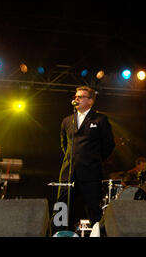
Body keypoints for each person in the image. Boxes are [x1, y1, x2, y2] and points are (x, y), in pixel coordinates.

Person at [55, 86, 115, 232]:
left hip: (90, 172)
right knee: (61, 205)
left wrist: (94, 159)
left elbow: (109, 144)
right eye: (76, 96)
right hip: (69, 171)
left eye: (81, 96)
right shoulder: (67, 120)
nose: (77, 98)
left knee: (93, 208)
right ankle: (57, 233)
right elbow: (64, 144)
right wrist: (72, 158)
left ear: (90, 101)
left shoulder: (100, 119)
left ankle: (97, 234)